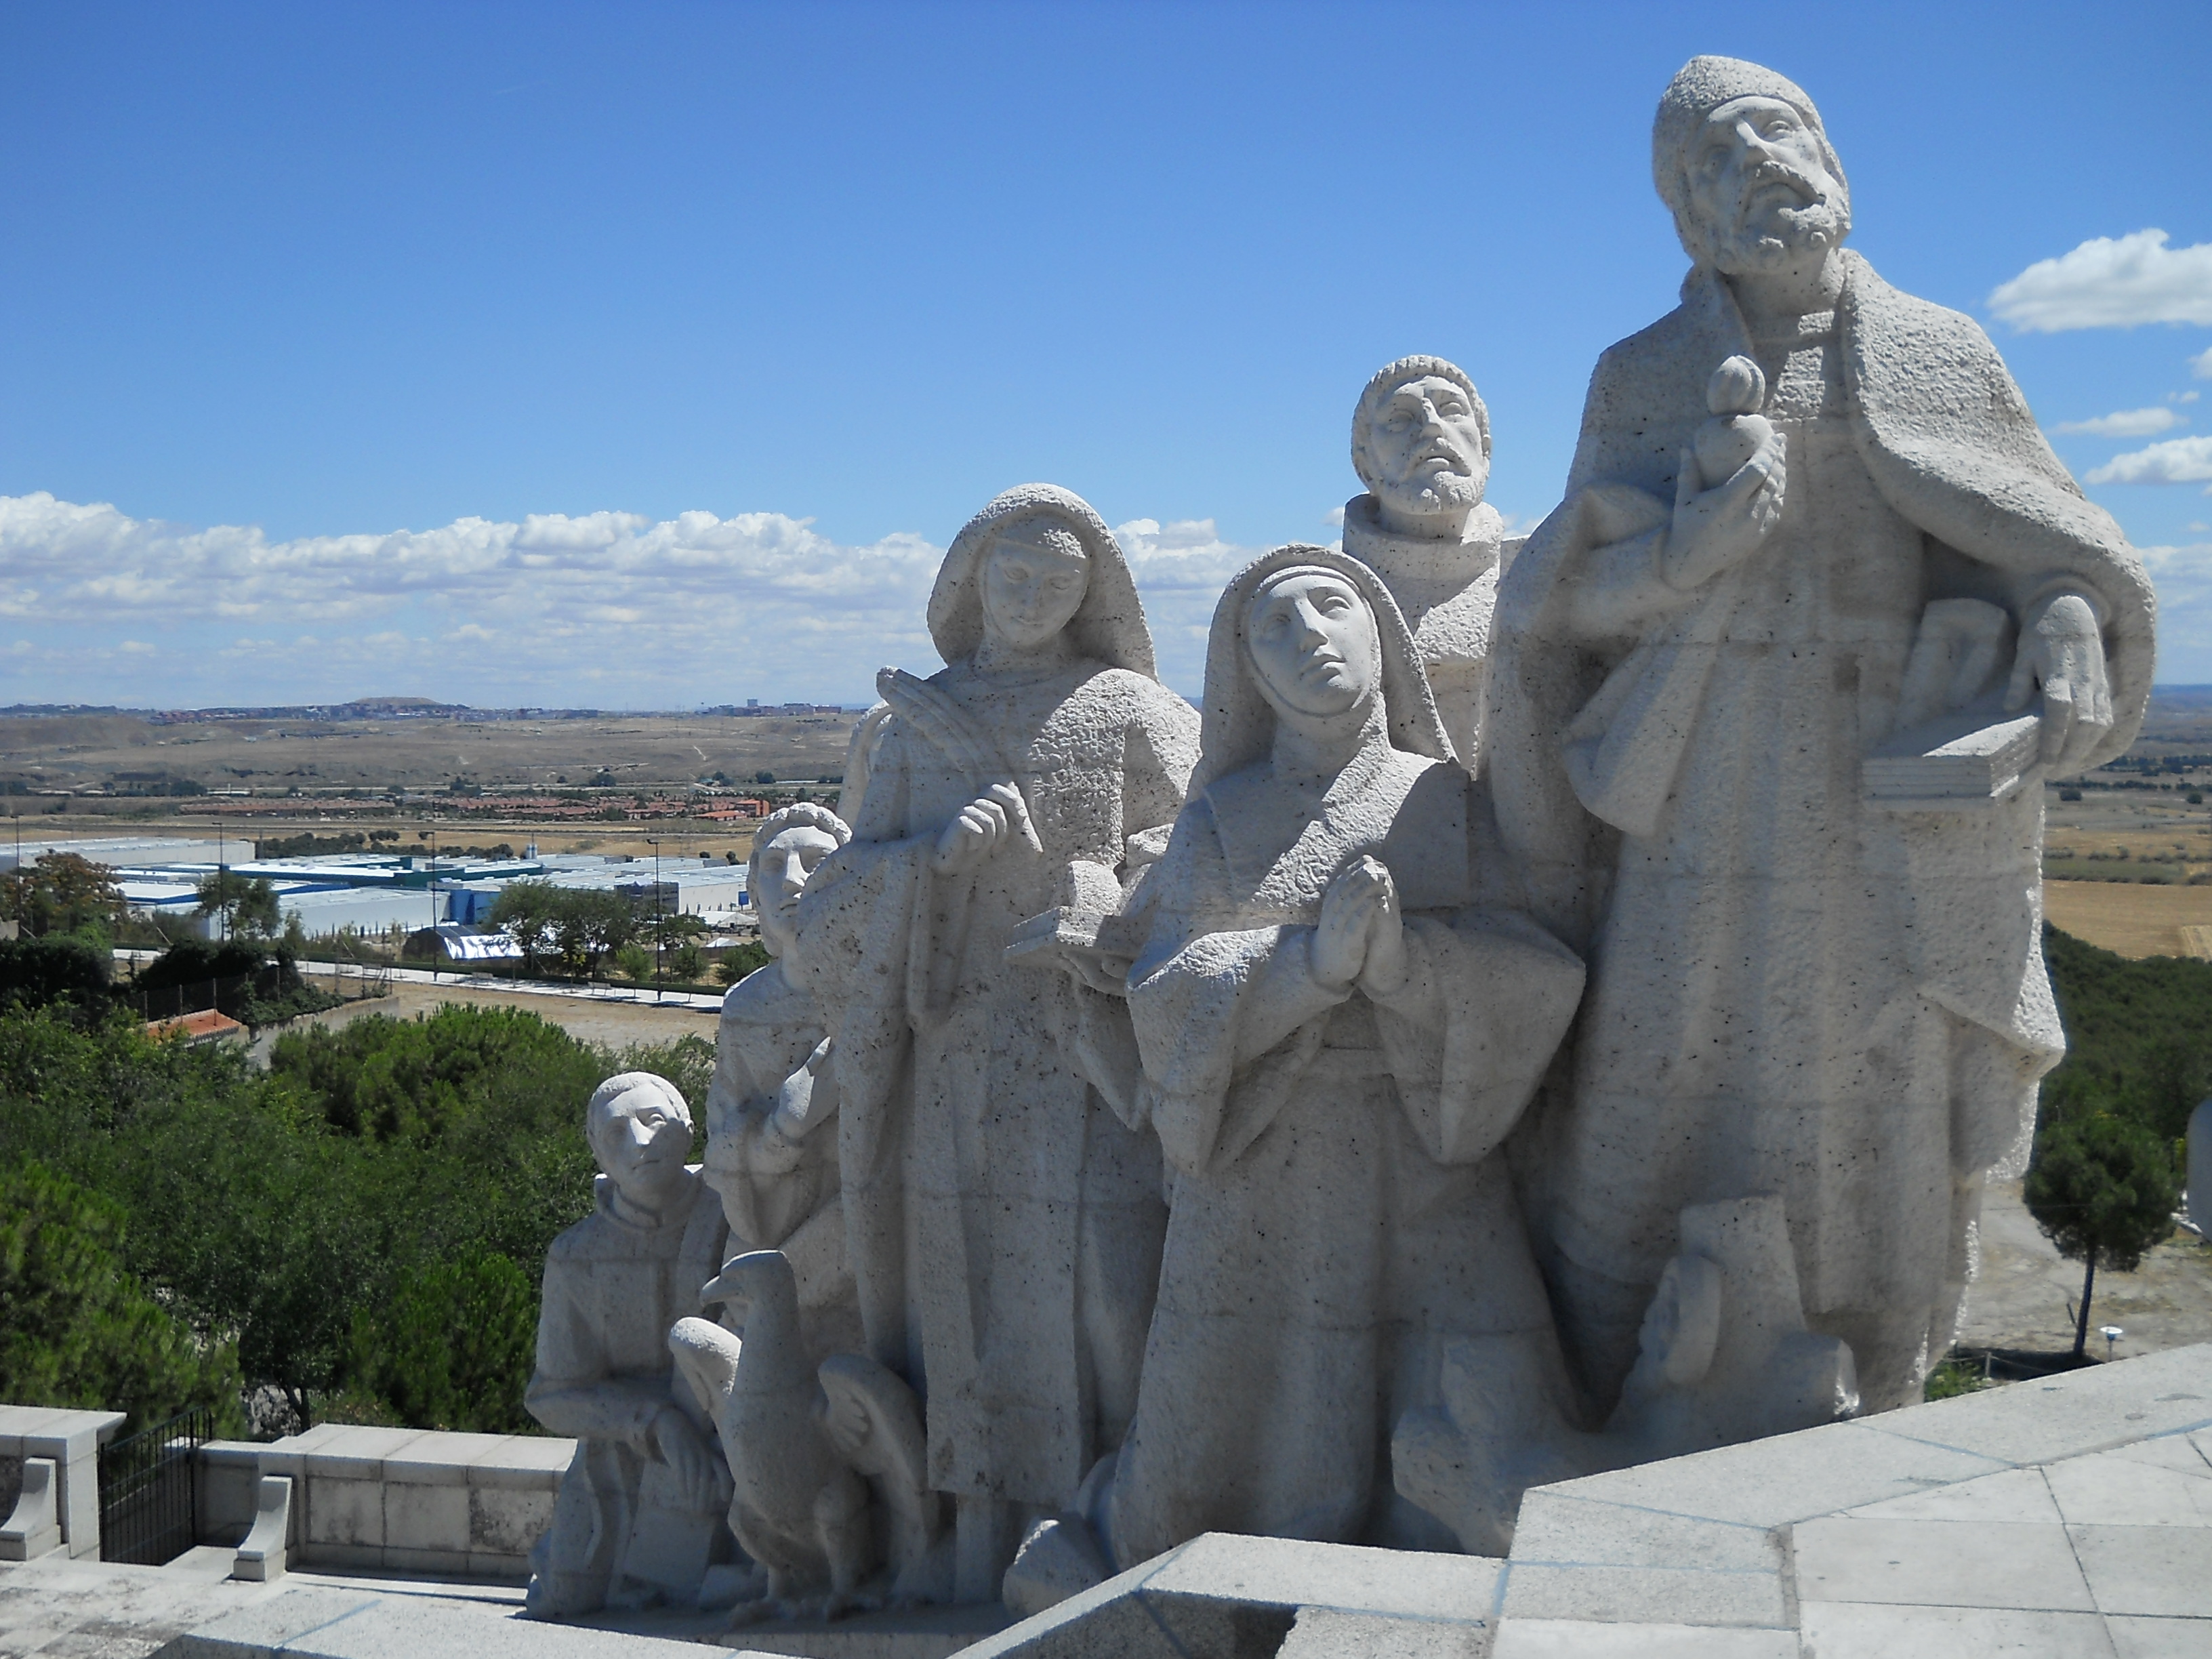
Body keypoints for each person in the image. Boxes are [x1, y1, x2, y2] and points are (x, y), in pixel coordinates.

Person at [1487, 56, 2156, 1416]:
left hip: (1887, 801)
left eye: (1777, 132)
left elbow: (2043, 540)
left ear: (1832, 153)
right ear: (1688, 216)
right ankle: (1638, 1367)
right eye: (1716, 161)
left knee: (1874, 1085)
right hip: (1699, 796)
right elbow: (1565, 604)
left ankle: (1870, 1370)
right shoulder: (1641, 376)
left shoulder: (1939, 350)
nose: (1759, 168)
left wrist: (2067, 616)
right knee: (1663, 1069)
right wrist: (1681, 556)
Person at [1102, 544, 1583, 1568]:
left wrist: (1410, 970)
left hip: (1428, 1164)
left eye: (1332, 605)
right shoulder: (1220, 818)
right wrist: (1307, 969)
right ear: (1246, 672)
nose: (1308, 635)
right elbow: (1164, 987)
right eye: (1273, 627)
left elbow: (1536, 968)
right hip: (1260, 1172)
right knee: (1221, 1431)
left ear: (1382, 635)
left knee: (1477, 1400)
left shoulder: (1449, 802)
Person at [790, 483, 1202, 1598]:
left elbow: (1201, 852)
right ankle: (971, 1549)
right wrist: (930, 860)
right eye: (1010, 574)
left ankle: (1118, 1531)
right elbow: (833, 903)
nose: (1030, 595)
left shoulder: (1133, 711)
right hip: (956, 1054)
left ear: (1093, 590)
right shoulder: (911, 728)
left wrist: (1089, 884)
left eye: (1057, 579)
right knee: (960, 1299)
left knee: (1105, 1294)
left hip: (1088, 1055)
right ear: (969, 582)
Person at [525, 1072, 730, 1616]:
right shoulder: (577, 1255)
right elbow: (553, 1396)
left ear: (687, 1128)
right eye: (617, 1133)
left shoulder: (735, 1213)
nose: (640, 1143)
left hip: (731, 1440)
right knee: (570, 1597)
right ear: (598, 1154)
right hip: (619, 1460)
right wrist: (655, 1421)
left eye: (654, 1121)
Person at [699, 802, 858, 1356]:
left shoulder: (879, 994)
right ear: (753, 890)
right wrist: (783, 1131)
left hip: (857, 1237)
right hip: (766, 1228)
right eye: (773, 865)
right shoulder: (746, 1005)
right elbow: (721, 1141)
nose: (791, 879)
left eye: (815, 861)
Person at [1341, 356, 1521, 766]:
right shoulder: (1328, 600)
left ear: (1486, 448)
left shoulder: (1543, 575)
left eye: (1451, 409)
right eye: (1400, 419)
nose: (1433, 428)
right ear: (1364, 464)